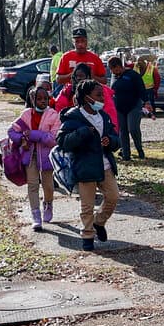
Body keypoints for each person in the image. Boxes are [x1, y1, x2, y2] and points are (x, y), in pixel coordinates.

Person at [55, 79, 121, 251]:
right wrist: (83, 132)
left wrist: (111, 141)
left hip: (105, 165)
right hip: (84, 167)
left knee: (113, 196)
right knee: (87, 206)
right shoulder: (73, 117)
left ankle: (99, 222)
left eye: (103, 95)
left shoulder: (104, 117)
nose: (102, 98)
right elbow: (62, 141)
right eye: (98, 95)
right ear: (87, 98)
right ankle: (87, 236)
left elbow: (116, 139)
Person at [8, 86, 62, 231]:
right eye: (39, 99)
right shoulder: (26, 115)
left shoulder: (53, 115)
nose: (43, 101)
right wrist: (22, 139)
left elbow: (53, 139)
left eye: (45, 98)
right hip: (29, 155)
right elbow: (12, 131)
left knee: (48, 185)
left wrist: (33, 135)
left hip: (47, 157)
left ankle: (48, 203)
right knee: (32, 185)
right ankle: (35, 215)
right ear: (32, 100)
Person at [55, 63, 118, 130]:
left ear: (88, 76)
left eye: (81, 76)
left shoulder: (100, 90)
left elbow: (111, 118)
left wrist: (110, 137)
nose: (79, 78)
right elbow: (59, 121)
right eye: (77, 76)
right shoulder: (66, 92)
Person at [109, 55, 146, 160]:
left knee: (133, 128)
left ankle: (139, 150)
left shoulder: (132, 75)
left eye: (115, 69)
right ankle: (126, 154)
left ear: (120, 66)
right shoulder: (114, 77)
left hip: (133, 105)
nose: (113, 72)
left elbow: (141, 89)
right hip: (119, 107)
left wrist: (146, 102)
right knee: (123, 131)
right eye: (111, 70)